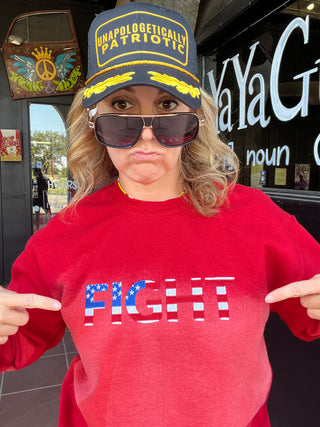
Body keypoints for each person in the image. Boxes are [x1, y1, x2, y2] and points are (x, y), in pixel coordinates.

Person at [0, 3, 320, 426]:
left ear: (195, 121)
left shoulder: (255, 216)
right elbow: (17, 341)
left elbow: (310, 314)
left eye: (168, 107)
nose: (146, 136)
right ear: (93, 121)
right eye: (122, 106)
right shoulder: (62, 237)